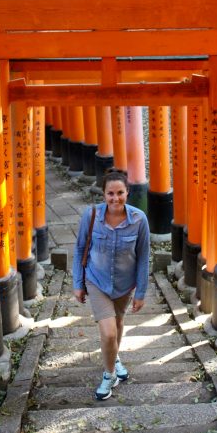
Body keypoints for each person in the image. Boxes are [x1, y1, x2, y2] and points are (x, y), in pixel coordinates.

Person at [73, 169, 150, 400]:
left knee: (117, 323)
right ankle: (109, 374)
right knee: (108, 333)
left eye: (120, 193)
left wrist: (141, 292)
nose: (115, 198)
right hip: (96, 281)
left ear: (127, 192)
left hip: (125, 285)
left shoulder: (138, 220)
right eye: (110, 193)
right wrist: (78, 282)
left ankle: (113, 357)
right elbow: (79, 249)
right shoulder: (92, 215)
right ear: (103, 194)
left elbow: (144, 257)